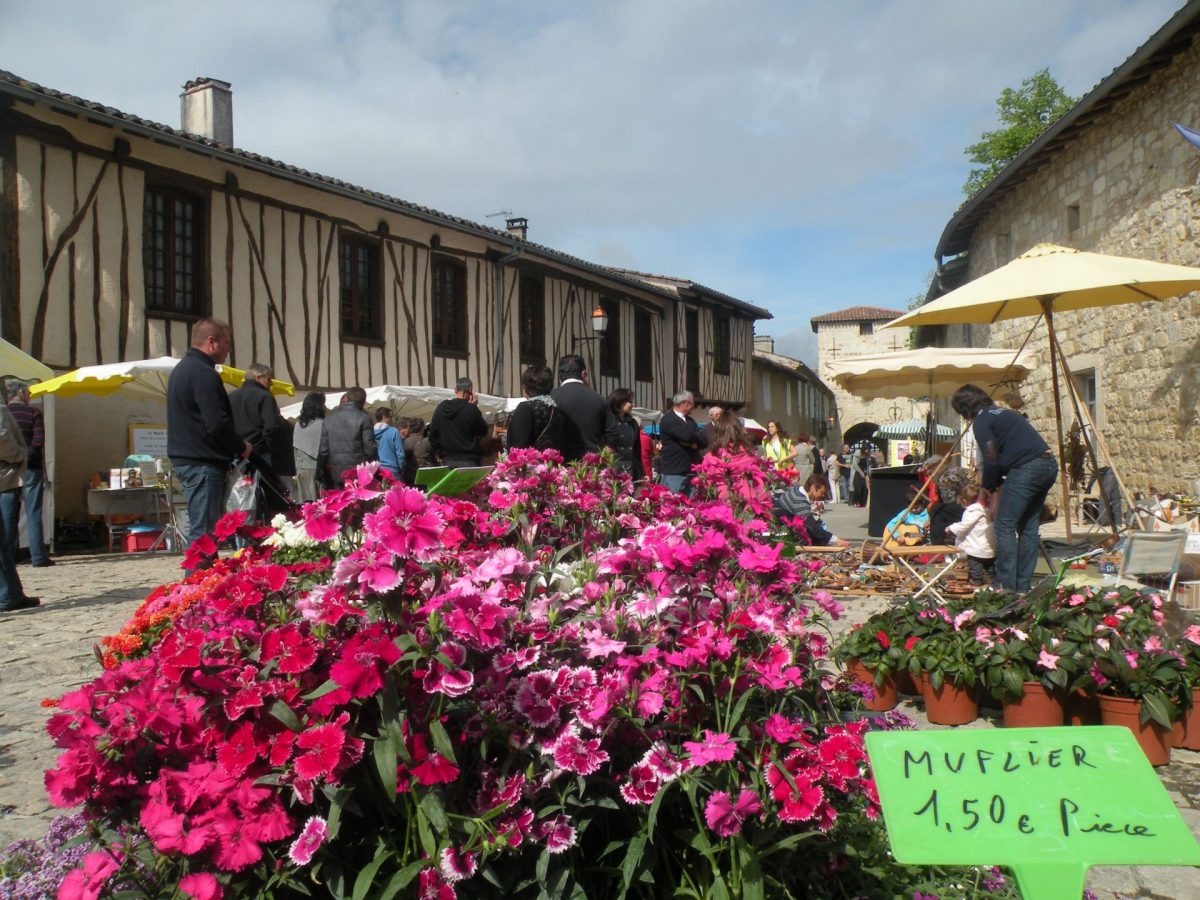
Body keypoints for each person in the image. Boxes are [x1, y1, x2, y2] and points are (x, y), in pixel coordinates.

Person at [952, 383, 1058, 594]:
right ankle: (1022, 584)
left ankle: (1004, 584)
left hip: (1026, 468)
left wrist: (988, 487)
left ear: (964, 409)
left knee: (1004, 525)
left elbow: (991, 457)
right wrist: (997, 482)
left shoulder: (982, 420)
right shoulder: (1002, 413)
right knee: (1028, 527)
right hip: (1047, 464)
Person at [167, 318, 252, 556]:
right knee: (204, 535)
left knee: (205, 533)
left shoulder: (183, 370)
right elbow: (217, 423)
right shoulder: (203, 373)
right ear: (211, 342)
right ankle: (195, 589)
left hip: (190, 459)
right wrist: (240, 446)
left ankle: (205, 588)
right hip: (202, 462)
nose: (228, 349)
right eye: (226, 343)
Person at [229, 363, 291, 516]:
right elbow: (272, 428)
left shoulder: (231, 396)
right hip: (259, 453)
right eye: (269, 379)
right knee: (264, 501)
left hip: (235, 453)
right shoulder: (264, 396)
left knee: (238, 499)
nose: (270, 383)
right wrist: (270, 448)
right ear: (258, 378)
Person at [4, 380, 51, 566]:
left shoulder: (5, 413)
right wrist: (26, 457)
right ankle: (38, 557)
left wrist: (16, 458)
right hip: (31, 467)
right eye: (29, 393)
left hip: (9, 468)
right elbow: (38, 440)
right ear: (22, 393)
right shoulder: (33, 413)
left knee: (8, 514)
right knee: (33, 512)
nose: (30, 396)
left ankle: (10, 556)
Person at [0, 403, 37, 611]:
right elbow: (2, 437)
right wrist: (20, 455)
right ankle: (7, 594)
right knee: (5, 540)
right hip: (4, 479)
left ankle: (12, 592)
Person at [550, 355, 607, 462]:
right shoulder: (600, 399)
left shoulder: (551, 397)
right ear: (583, 374)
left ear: (560, 375)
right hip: (591, 462)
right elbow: (610, 437)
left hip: (561, 463)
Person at [318, 387, 377, 485]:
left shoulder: (328, 420)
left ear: (346, 398)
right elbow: (370, 448)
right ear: (363, 401)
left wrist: (320, 471)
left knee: (339, 498)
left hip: (336, 472)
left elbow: (323, 451)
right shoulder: (364, 418)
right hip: (358, 472)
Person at [773, 474, 848, 547]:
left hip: (784, 523)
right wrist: (835, 540)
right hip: (781, 530)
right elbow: (811, 526)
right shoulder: (799, 500)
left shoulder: (798, 489)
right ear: (813, 488)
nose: (823, 496)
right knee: (814, 533)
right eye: (822, 492)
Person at [429, 377, 488, 468]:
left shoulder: (441, 407)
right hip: (470, 461)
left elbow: (432, 435)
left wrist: (440, 453)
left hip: (448, 460)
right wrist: (474, 407)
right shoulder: (471, 409)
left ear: (455, 390)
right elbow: (483, 431)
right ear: (470, 391)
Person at [946, 481, 996, 586]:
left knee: (975, 566)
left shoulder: (972, 511)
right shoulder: (987, 509)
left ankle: (976, 581)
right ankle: (991, 580)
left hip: (976, 549)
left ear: (964, 501)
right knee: (988, 567)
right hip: (990, 548)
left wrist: (950, 528)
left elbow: (964, 526)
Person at [658, 390, 707, 495]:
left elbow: (703, 440)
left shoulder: (690, 421)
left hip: (690, 471)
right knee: (672, 505)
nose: (694, 407)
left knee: (691, 506)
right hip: (674, 472)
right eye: (692, 403)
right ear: (684, 403)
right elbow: (687, 436)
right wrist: (692, 440)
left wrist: (692, 441)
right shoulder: (668, 419)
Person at [507, 365, 564, 453]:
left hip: (531, 464)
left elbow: (519, 446)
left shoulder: (525, 408)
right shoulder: (557, 408)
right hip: (553, 463)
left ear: (524, 388)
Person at [291, 392, 327, 503]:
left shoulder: (298, 424)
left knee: (307, 505)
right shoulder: (323, 424)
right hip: (318, 469)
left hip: (302, 468)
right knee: (321, 504)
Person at [604, 387, 644, 478]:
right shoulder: (607, 421)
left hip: (629, 471)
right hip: (611, 471)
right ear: (619, 402)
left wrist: (641, 473)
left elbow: (636, 451)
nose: (632, 405)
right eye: (630, 402)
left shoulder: (633, 423)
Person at [927, 466, 970, 545]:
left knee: (935, 509)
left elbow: (949, 501)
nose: (928, 474)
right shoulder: (955, 469)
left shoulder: (945, 478)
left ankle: (937, 542)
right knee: (939, 511)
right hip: (969, 502)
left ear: (935, 465)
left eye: (929, 470)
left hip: (967, 505)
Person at [373, 408, 406, 481]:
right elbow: (400, 455)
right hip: (393, 469)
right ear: (384, 417)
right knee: (397, 492)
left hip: (379, 470)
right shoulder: (394, 431)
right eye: (390, 417)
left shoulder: (371, 433)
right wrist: (401, 468)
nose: (391, 419)